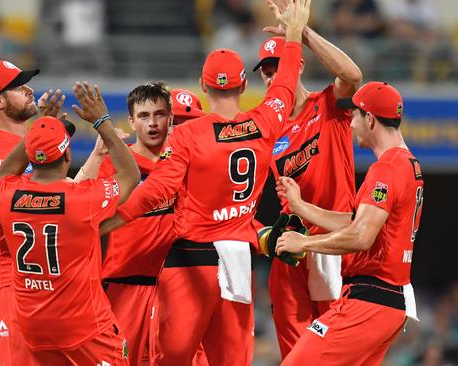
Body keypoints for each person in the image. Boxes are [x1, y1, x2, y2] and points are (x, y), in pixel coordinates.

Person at [101, 1, 311, 364]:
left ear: (203, 85)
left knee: (170, 360)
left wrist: (110, 221)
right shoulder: (264, 123)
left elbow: (157, 190)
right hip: (238, 260)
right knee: (230, 360)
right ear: (244, 84)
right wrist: (293, 35)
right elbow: (286, 87)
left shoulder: (187, 135)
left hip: (191, 259)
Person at [275, 81, 424, 365]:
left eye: (355, 115)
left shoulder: (386, 169)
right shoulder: (406, 163)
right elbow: (358, 221)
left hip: (371, 300)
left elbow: (360, 236)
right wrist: (302, 207)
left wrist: (304, 242)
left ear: (370, 119)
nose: (351, 122)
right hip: (385, 300)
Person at [0, 81, 140, 364]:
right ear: (68, 156)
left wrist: (38, 131)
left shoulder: (9, 195)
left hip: (36, 331)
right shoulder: (82, 199)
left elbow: (3, 174)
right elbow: (130, 176)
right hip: (85, 330)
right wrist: (102, 122)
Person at [252, 4, 362, 357]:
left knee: (336, 350)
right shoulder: (267, 128)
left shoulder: (327, 104)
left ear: (296, 65)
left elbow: (353, 75)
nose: (271, 77)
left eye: (278, 67)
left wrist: (302, 32)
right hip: (293, 251)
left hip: (335, 242)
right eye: (266, 72)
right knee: (297, 353)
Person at [75, 81, 175, 366]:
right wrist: (96, 156)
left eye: (159, 114)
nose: (152, 123)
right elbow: (72, 206)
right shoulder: (116, 165)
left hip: (174, 286)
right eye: (143, 116)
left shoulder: (183, 162)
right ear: (131, 122)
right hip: (123, 286)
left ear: (171, 118)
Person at [0, 59, 65, 364]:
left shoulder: (27, 143)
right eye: (17, 86)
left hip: (33, 273)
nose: (28, 90)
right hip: (5, 272)